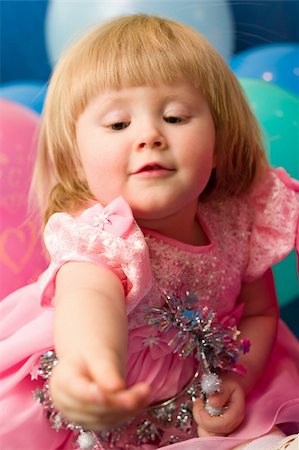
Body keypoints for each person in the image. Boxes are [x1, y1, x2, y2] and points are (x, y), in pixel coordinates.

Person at [0, 14, 299, 450]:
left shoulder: (238, 220)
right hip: (97, 420)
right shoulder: (105, 238)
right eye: (119, 124)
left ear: (219, 140)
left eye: (176, 117)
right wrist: (90, 373)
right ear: (77, 158)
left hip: (195, 405)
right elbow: (88, 302)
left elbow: (260, 313)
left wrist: (237, 378)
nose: (149, 136)